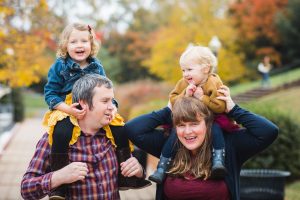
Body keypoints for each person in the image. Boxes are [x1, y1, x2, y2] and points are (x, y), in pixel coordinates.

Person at [43, 23, 147, 198]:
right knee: (61, 131)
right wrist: (68, 110)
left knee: (120, 129)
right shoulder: (59, 66)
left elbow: (106, 89)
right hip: (67, 106)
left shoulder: (96, 66)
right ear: (65, 45)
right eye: (73, 41)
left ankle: (124, 174)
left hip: (96, 104)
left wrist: (112, 106)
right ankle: (58, 185)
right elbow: (50, 94)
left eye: (84, 41)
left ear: (91, 45)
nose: (79, 45)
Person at [125, 85, 278, 200]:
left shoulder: (229, 145)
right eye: (181, 125)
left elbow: (268, 132)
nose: (187, 132)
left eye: (194, 124)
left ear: (208, 124)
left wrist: (233, 109)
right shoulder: (170, 146)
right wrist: (170, 108)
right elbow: (133, 129)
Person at [21, 74, 150, 200]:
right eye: (105, 101)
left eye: (112, 101)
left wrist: (138, 170)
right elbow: (26, 189)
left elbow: (136, 174)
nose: (112, 107)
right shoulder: (55, 138)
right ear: (83, 104)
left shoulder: (115, 135)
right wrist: (59, 177)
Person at [149, 45, 239, 184]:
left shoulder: (214, 82)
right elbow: (172, 99)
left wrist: (202, 98)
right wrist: (185, 94)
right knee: (173, 135)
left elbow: (220, 106)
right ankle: (161, 168)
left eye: (189, 69)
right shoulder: (184, 83)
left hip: (213, 118)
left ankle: (218, 162)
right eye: (183, 70)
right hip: (187, 120)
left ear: (206, 69)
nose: (185, 74)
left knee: (216, 130)